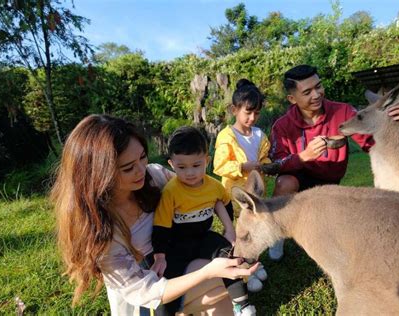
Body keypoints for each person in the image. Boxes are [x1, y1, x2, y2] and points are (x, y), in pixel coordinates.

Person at [51, 115, 259, 315]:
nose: (141, 169)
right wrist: (209, 271)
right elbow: (147, 291)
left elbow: (201, 193)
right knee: (218, 279)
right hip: (149, 298)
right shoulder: (102, 231)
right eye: (128, 168)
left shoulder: (155, 177)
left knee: (224, 275)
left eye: (142, 157)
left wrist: (230, 228)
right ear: (99, 175)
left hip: (179, 259)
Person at [268, 65, 399, 261]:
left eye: (318, 86)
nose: (316, 94)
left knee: (337, 234)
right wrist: (303, 156)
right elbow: (277, 165)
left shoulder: (343, 112)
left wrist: (390, 126)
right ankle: (277, 237)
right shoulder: (282, 126)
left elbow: (371, 144)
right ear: (292, 99)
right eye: (307, 92)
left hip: (330, 184)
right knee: (285, 183)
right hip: (298, 179)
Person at [151, 126, 257, 316]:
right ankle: (165, 312)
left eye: (196, 165)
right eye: (182, 167)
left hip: (203, 237)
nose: (190, 173)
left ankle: (242, 304)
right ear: (171, 164)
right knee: (168, 281)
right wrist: (160, 255)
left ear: (206, 161)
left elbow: (225, 204)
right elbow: (161, 226)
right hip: (177, 244)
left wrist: (229, 230)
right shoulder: (170, 191)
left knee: (229, 253)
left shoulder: (214, 186)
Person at [213, 78, 270, 292]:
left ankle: (254, 263)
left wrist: (266, 166)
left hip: (255, 196)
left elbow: (263, 158)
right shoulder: (226, 136)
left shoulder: (259, 134)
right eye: (247, 112)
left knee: (254, 232)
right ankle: (243, 273)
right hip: (234, 197)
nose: (252, 118)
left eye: (256, 113)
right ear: (234, 110)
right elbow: (219, 165)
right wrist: (243, 166)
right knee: (238, 235)